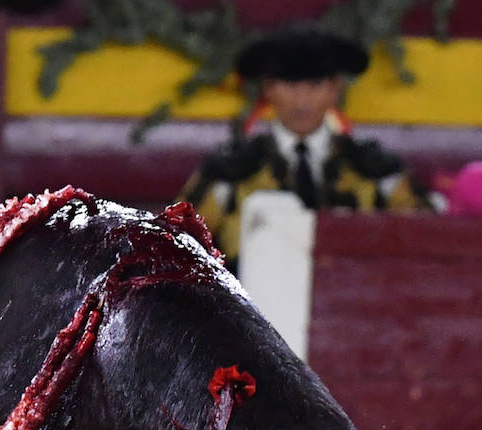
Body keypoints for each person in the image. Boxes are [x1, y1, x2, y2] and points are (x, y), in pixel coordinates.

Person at [180, 23, 434, 271]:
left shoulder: (376, 171)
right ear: (268, 88)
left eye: (314, 86)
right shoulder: (229, 172)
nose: (301, 102)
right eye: (290, 87)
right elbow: (175, 246)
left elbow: (427, 241)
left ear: (336, 88)